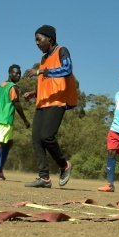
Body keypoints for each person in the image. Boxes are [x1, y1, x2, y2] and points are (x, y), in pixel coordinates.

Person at [22, 25, 77, 188]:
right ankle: (44, 178)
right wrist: (35, 92)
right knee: (36, 139)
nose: (37, 43)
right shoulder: (44, 59)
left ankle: (64, 165)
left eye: (39, 40)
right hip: (43, 102)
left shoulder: (62, 50)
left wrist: (40, 72)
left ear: (50, 39)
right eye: (35, 41)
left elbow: (67, 69)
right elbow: (47, 82)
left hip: (57, 101)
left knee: (47, 136)